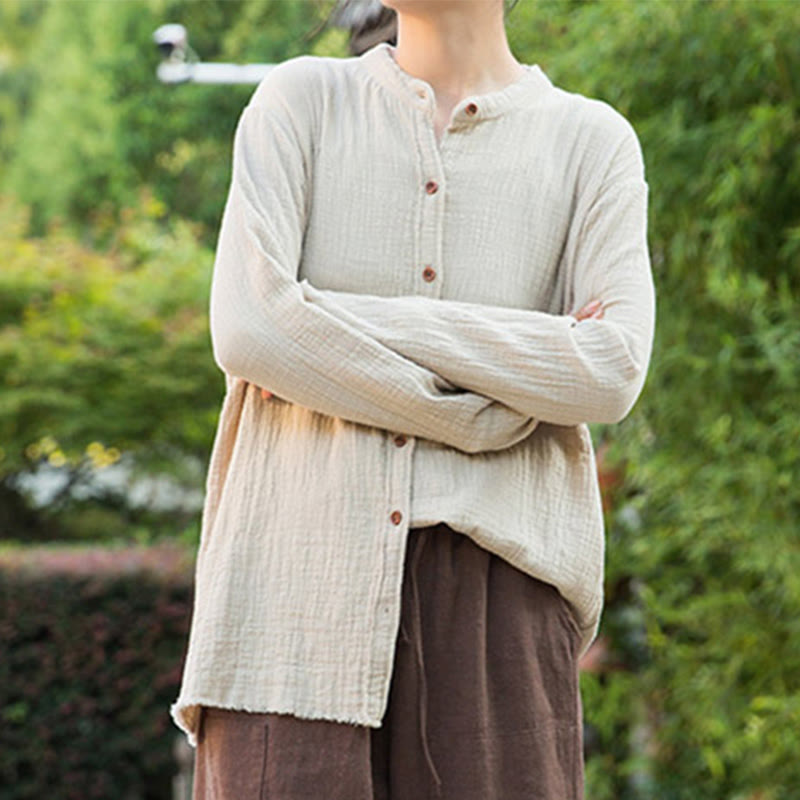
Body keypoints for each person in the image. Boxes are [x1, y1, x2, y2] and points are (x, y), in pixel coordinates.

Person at [169, 0, 656, 798]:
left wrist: (327, 312)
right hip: (288, 591)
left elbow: (609, 369)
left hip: (500, 587)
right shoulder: (300, 103)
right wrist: (488, 398)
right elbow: (252, 329)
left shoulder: (590, 143)